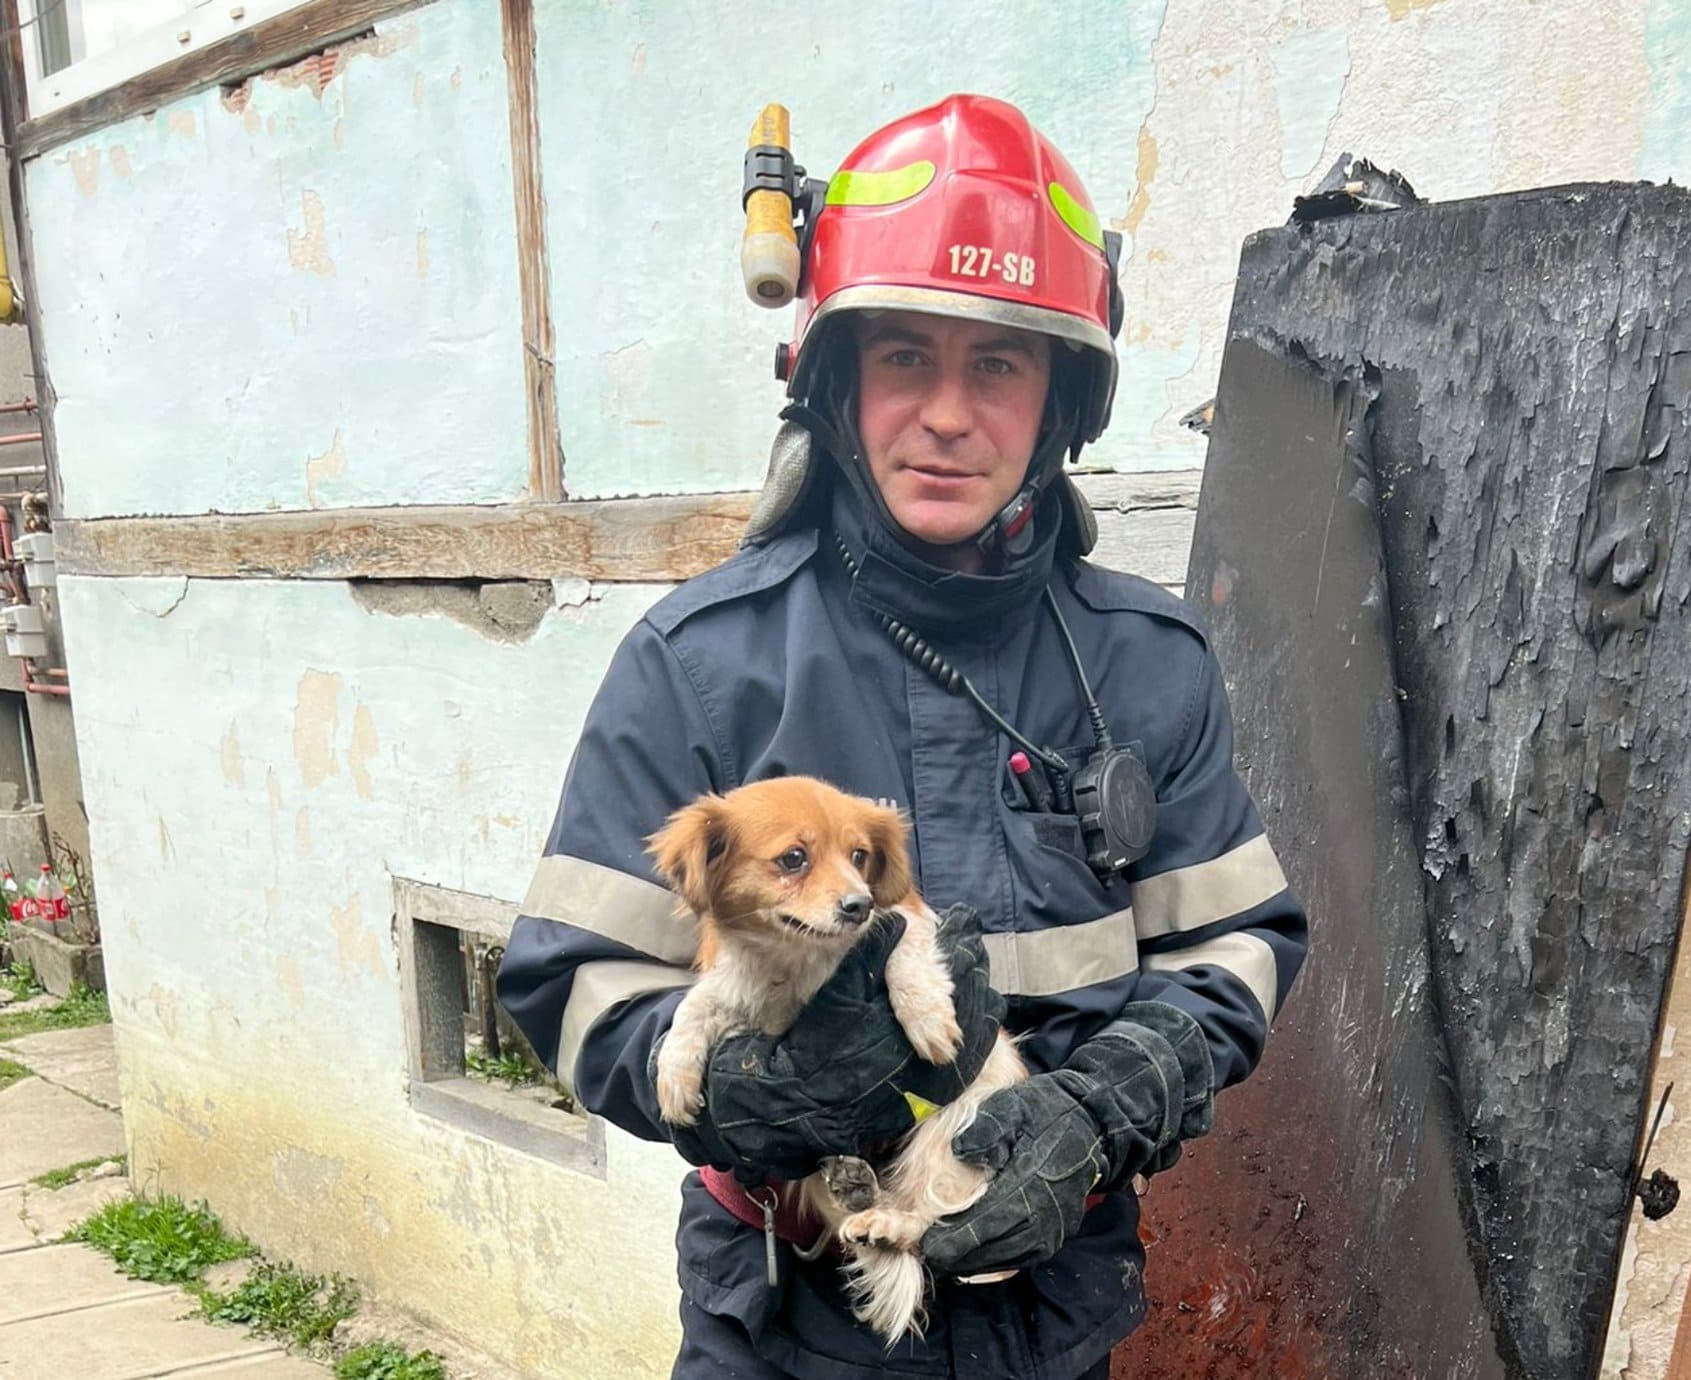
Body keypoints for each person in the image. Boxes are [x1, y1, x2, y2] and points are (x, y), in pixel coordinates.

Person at [497, 94, 1307, 1380]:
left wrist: (1101, 1114)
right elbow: (571, 979)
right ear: (832, 382)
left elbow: (1237, 948)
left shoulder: (1147, 669)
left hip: (1051, 1316)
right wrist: (728, 1086)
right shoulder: (702, 666)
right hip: (787, 1323)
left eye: (999, 363)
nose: (947, 412)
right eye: (905, 359)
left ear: (1059, 403)